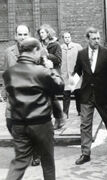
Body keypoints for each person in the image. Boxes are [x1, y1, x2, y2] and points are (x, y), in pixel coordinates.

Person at [3, 37, 64, 180]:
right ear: (35, 50)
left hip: (18, 122)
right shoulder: (41, 72)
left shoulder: (9, 73)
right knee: (47, 161)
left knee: (19, 162)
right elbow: (59, 87)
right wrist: (51, 69)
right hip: (40, 123)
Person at [73, 27, 107, 165]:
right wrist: (70, 85)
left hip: (103, 93)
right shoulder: (81, 54)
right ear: (87, 39)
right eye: (93, 39)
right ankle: (85, 153)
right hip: (86, 94)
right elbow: (77, 71)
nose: (96, 41)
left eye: (98, 38)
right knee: (85, 124)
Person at [3, 24, 42, 167]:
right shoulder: (9, 52)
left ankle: (35, 152)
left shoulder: (36, 50)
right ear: (15, 36)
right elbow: (5, 72)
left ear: (29, 35)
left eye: (25, 34)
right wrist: (4, 92)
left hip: (31, 96)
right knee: (10, 123)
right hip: (13, 95)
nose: (22, 37)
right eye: (20, 34)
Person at [38, 24, 66, 130]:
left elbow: (58, 59)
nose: (41, 35)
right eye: (40, 33)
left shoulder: (55, 45)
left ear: (48, 33)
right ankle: (59, 119)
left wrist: (47, 55)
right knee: (50, 96)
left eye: (43, 32)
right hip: (42, 73)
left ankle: (56, 119)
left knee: (50, 96)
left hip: (52, 74)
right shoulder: (39, 44)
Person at [60, 32, 83, 118]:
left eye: (68, 37)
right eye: (65, 37)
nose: (67, 39)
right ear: (63, 38)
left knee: (78, 93)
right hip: (65, 74)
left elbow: (82, 59)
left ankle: (80, 111)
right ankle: (65, 113)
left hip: (75, 74)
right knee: (66, 94)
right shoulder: (60, 48)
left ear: (71, 37)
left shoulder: (77, 47)